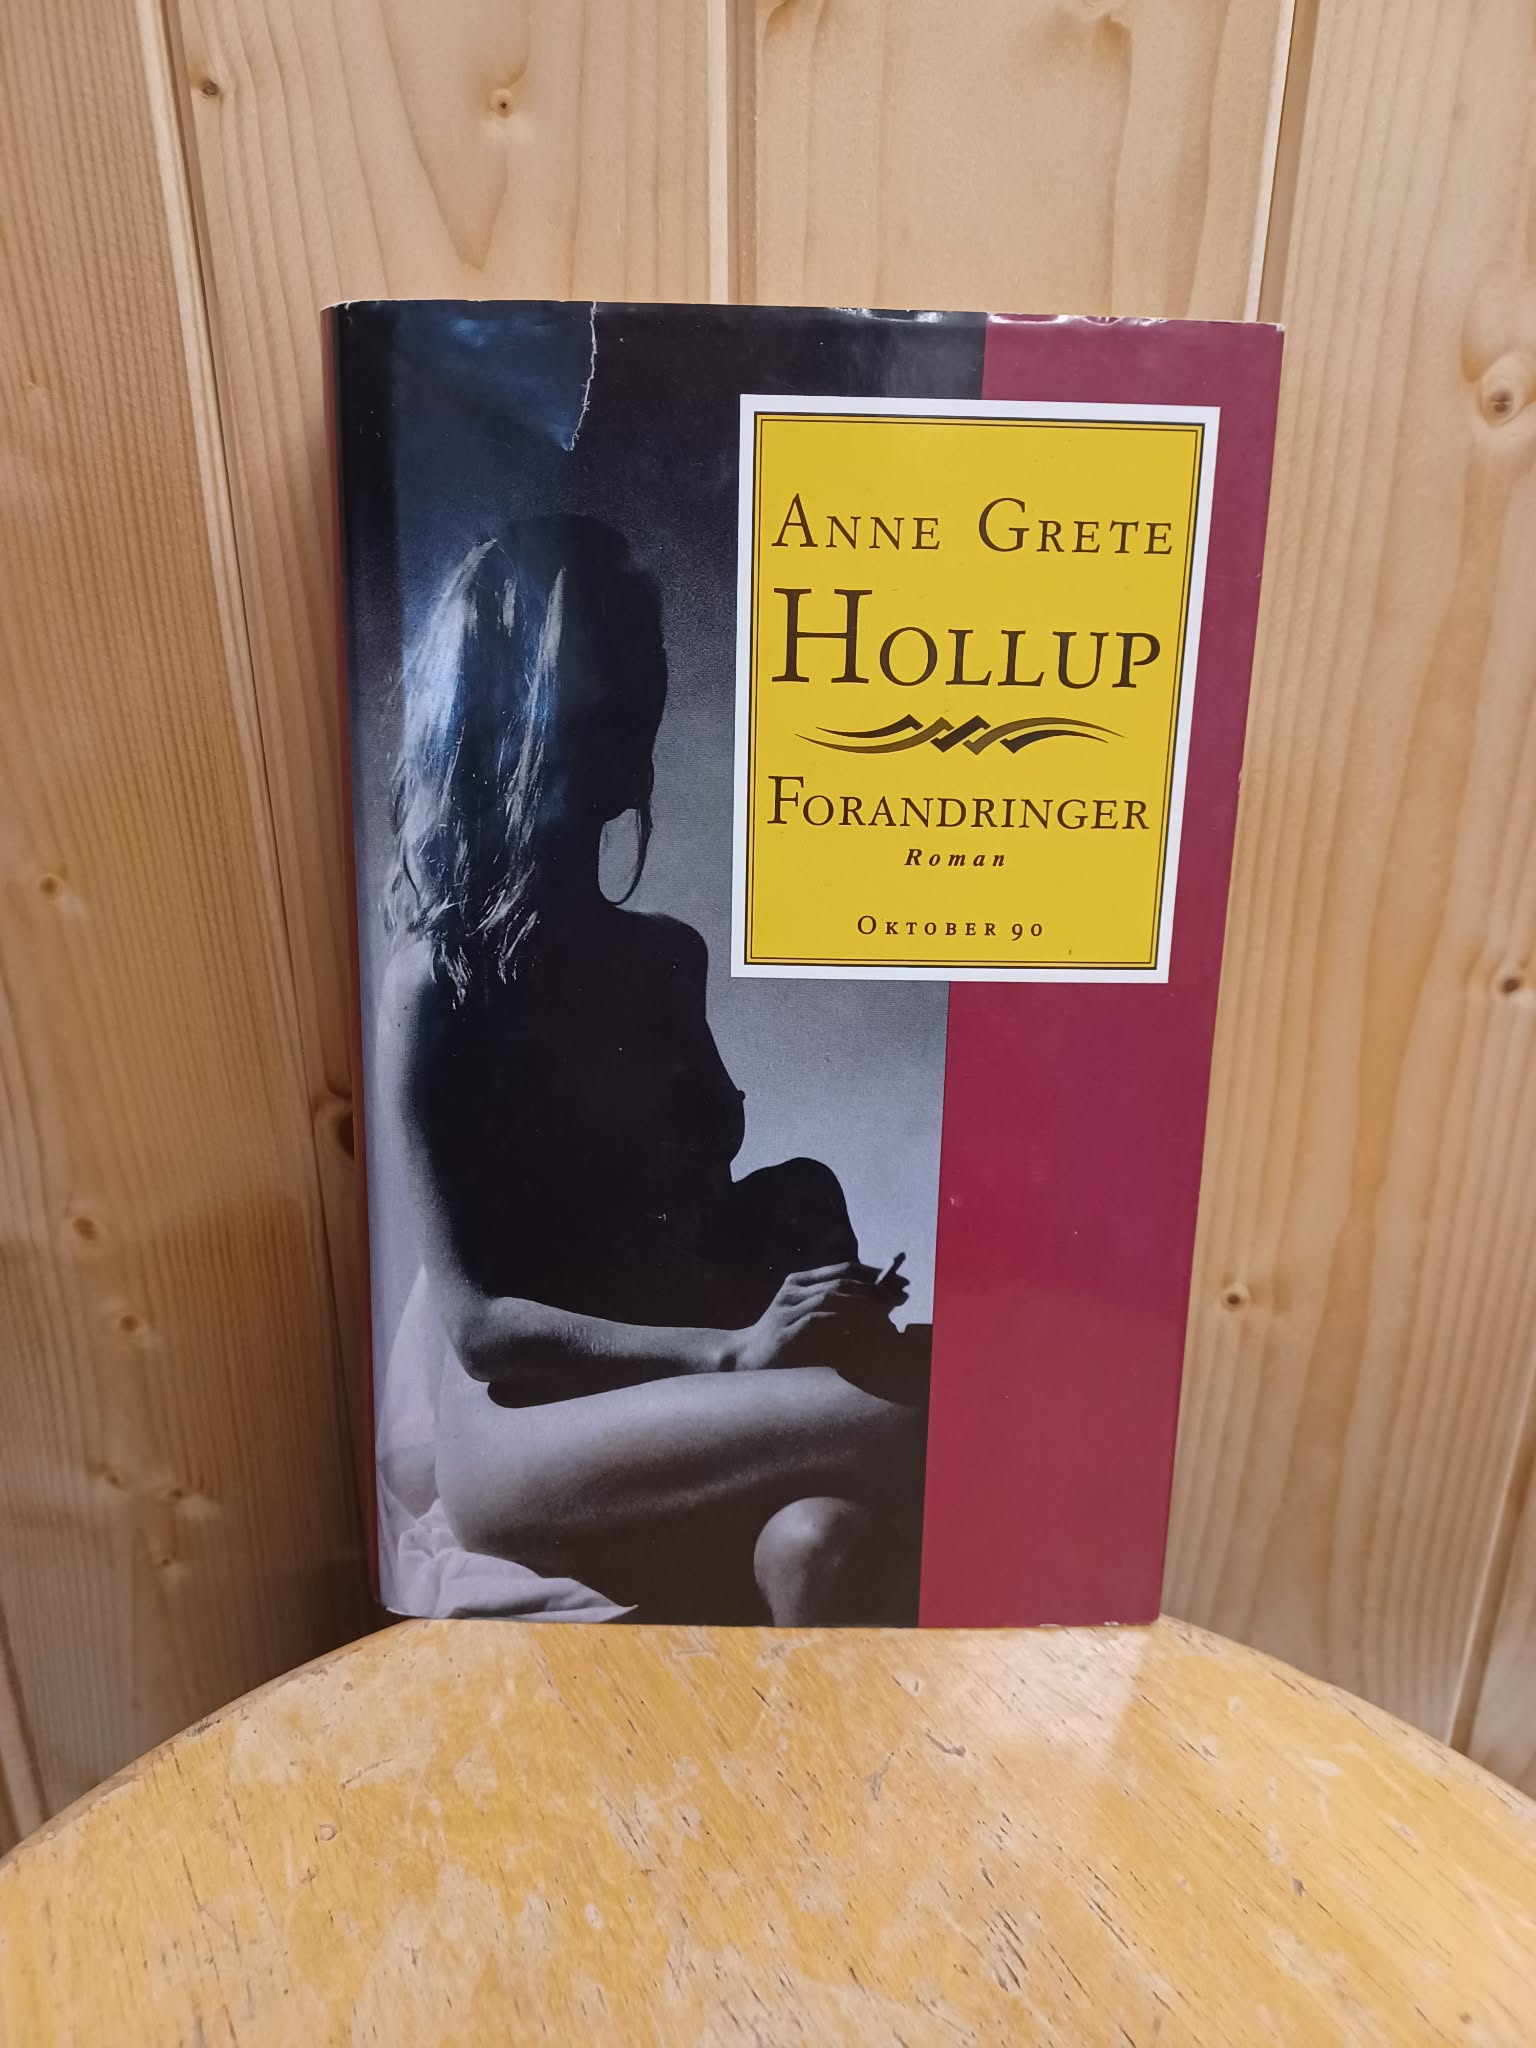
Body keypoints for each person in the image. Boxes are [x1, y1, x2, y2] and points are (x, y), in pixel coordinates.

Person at [374, 514, 928, 1624]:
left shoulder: (670, 957)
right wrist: (735, 1352)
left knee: (824, 1542)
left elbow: (672, 1224)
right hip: (522, 1429)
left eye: (648, 660)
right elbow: (480, 1325)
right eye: (615, 667)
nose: (649, 696)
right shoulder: (438, 984)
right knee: (933, 1413)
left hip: (670, 1393)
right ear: (517, 710)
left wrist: (811, 1278)